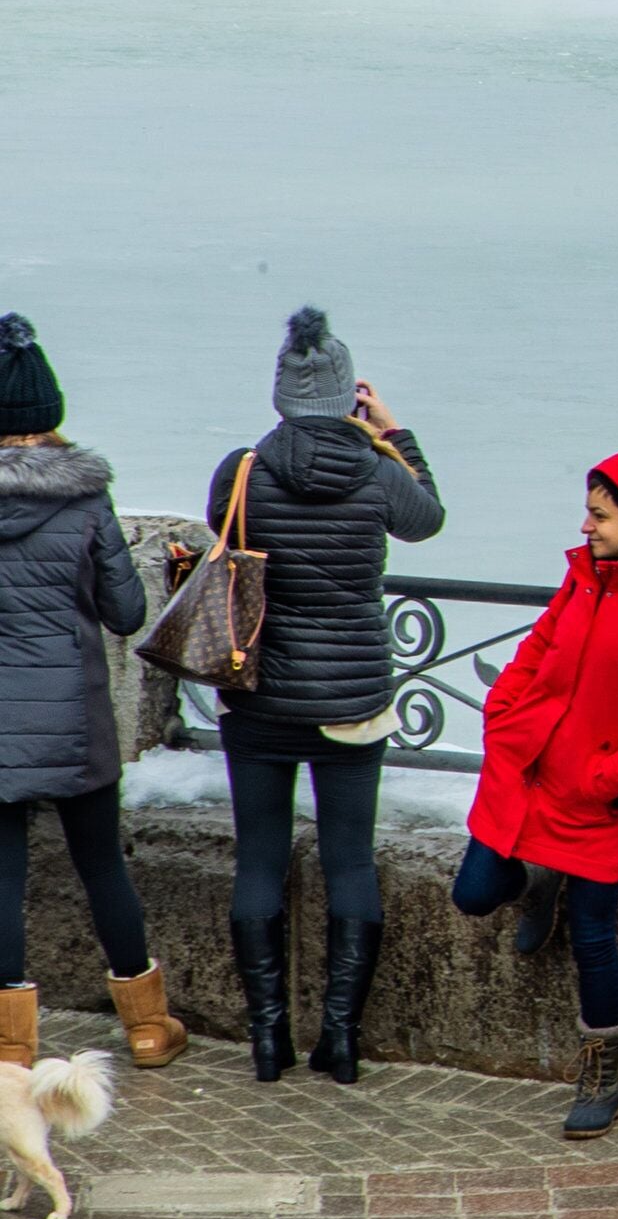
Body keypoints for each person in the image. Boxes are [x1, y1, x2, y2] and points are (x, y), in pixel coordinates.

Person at [207, 308, 444, 1085]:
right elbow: (428, 519)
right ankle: (340, 1041)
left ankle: (268, 1040)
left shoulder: (242, 469)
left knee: (259, 863)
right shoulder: (377, 471)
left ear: (278, 397)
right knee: (350, 864)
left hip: (262, 696)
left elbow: (222, 535)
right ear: (349, 396)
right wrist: (392, 432)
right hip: (353, 700)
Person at [453, 449, 618, 1136]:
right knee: (474, 892)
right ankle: (536, 884)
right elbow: (540, 646)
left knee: (595, 940)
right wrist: (503, 707)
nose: (587, 525)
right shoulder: (583, 578)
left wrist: (608, 778)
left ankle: (602, 1077)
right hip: (527, 769)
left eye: (600, 515)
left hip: (597, 798)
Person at [0, 315, 182, 1070]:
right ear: (54, 415)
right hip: (75, 720)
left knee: (2, 881)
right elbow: (127, 612)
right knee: (101, 863)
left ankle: (11, 1047)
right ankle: (145, 1027)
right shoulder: (85, 501)